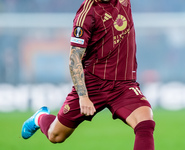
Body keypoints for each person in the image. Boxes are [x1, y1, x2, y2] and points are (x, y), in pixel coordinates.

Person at [21, 0, 155, 150]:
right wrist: (83, 96)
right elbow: (74, 59)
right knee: (55, 135)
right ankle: (40, 118)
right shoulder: (86, 15)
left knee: (145, 123)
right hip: (92, 85)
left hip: (123, 86)